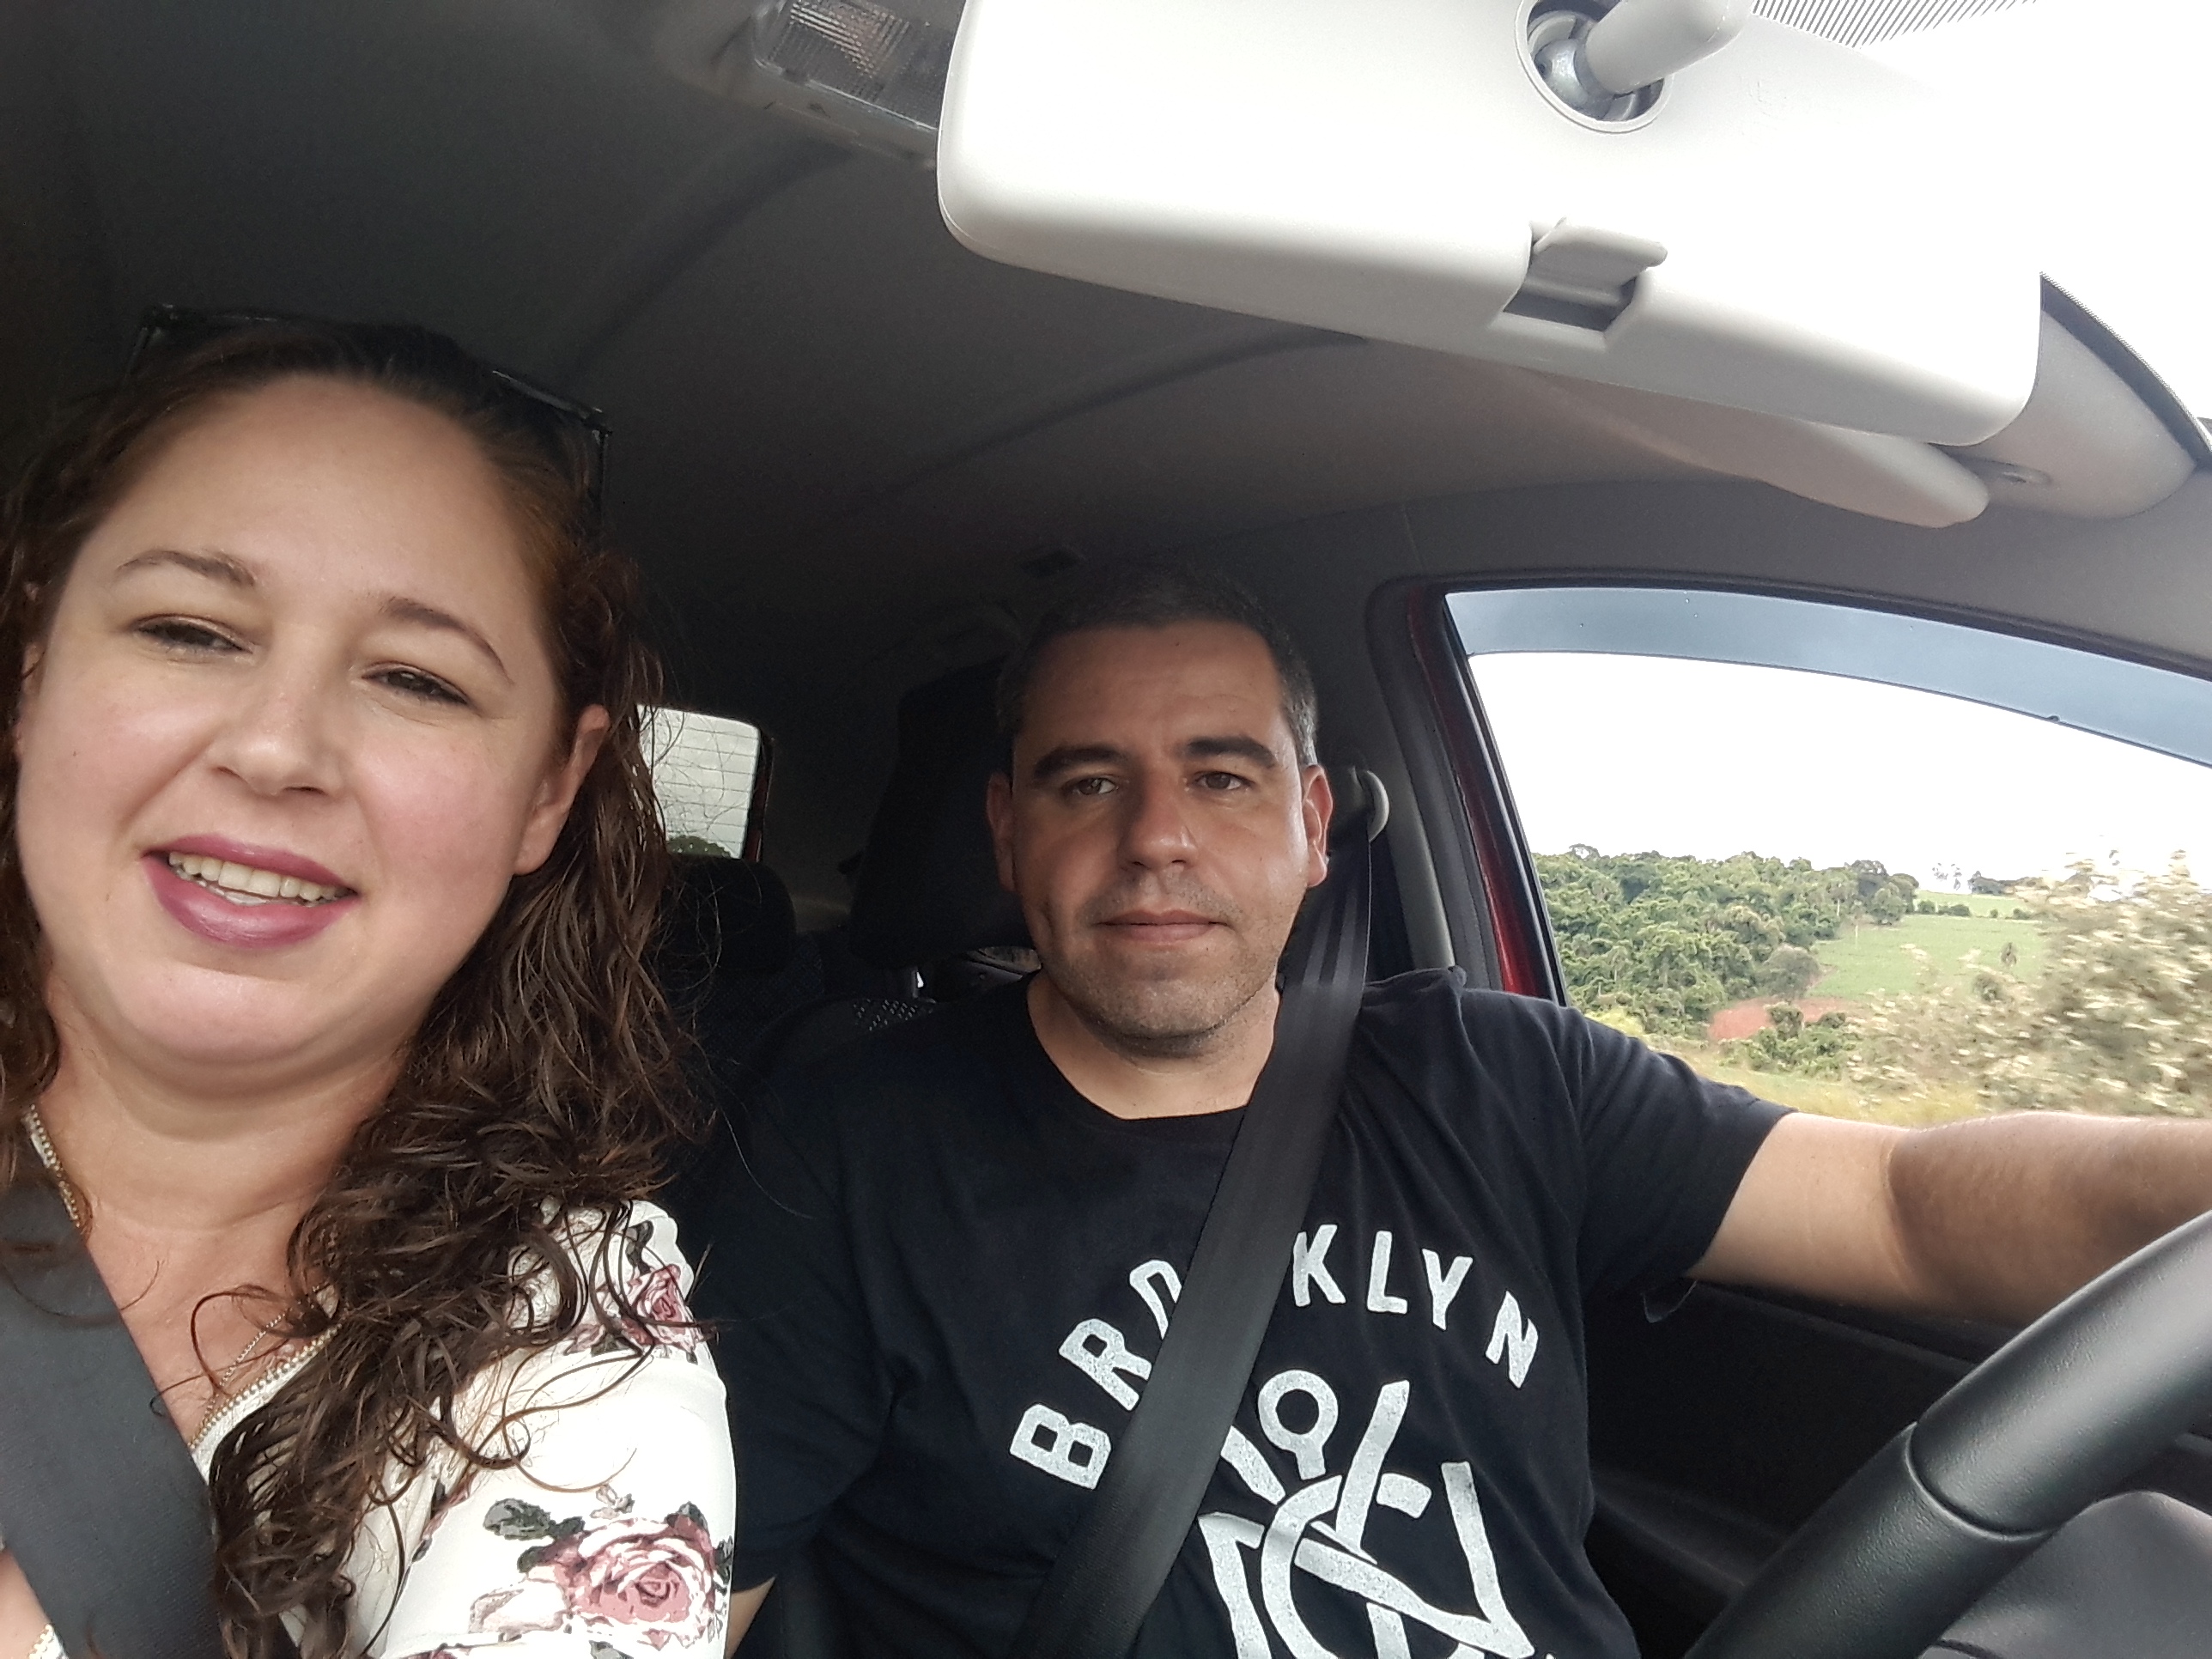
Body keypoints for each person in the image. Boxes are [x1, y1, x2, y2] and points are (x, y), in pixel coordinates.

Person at [696, 563, 2212, 1657]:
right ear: (1006, 832)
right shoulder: (843, 1151)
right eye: (1088, 784)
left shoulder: (1502, 1074)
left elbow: (1903, 1203)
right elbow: (683, 1597)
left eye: (1222, 779)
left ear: (1312, 825)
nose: (1157, 838)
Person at [0, 316, 735, 1659]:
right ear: (34, 672)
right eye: (188, 630)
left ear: (550, 790)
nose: (277, 747)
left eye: (415, 679)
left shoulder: (574, 1347)